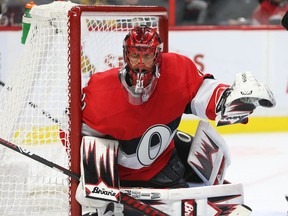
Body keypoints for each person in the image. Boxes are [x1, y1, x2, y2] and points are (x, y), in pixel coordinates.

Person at [77, 25, 275, 213]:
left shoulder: (177, 69)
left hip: (165, 168)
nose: (140, 63)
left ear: (157, 55)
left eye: (146, 56)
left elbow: (204, 94)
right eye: (135, 55)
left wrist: (231, 100)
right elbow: (81, 137)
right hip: (122, 180)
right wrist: (96, 183)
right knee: (95, 203)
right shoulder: (100, 90)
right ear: (126, 54)